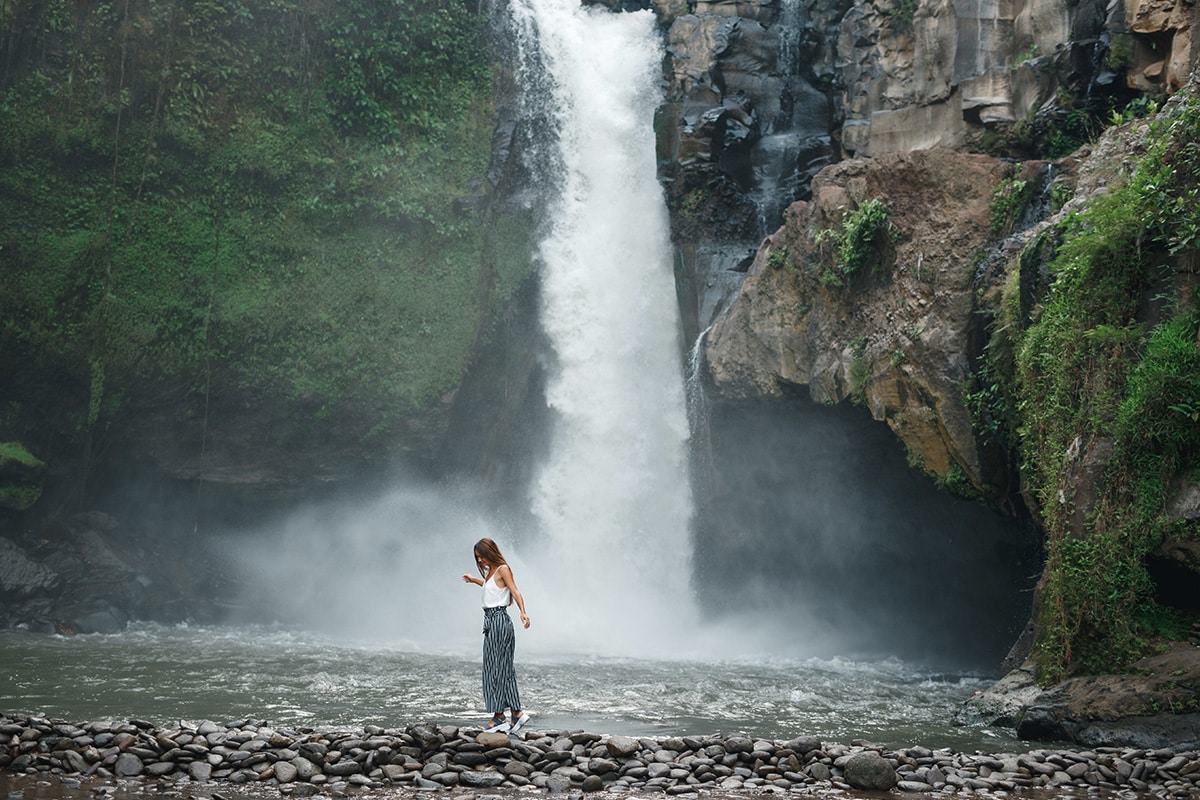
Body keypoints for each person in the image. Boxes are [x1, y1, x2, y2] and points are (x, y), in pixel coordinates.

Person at [461, 537, 531, 733]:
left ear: (490, 552)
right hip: (493, 620)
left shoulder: (502, 569)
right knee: (503, 667)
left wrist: (523, 612)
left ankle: (499, 717)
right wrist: (474, 580)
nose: (480, 560)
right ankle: (516, 713)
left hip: (499, 619)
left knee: (494, 669)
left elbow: (515, 591)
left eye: (482, 556)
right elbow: (490, 590)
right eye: (477, 557)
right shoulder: (491, 572)